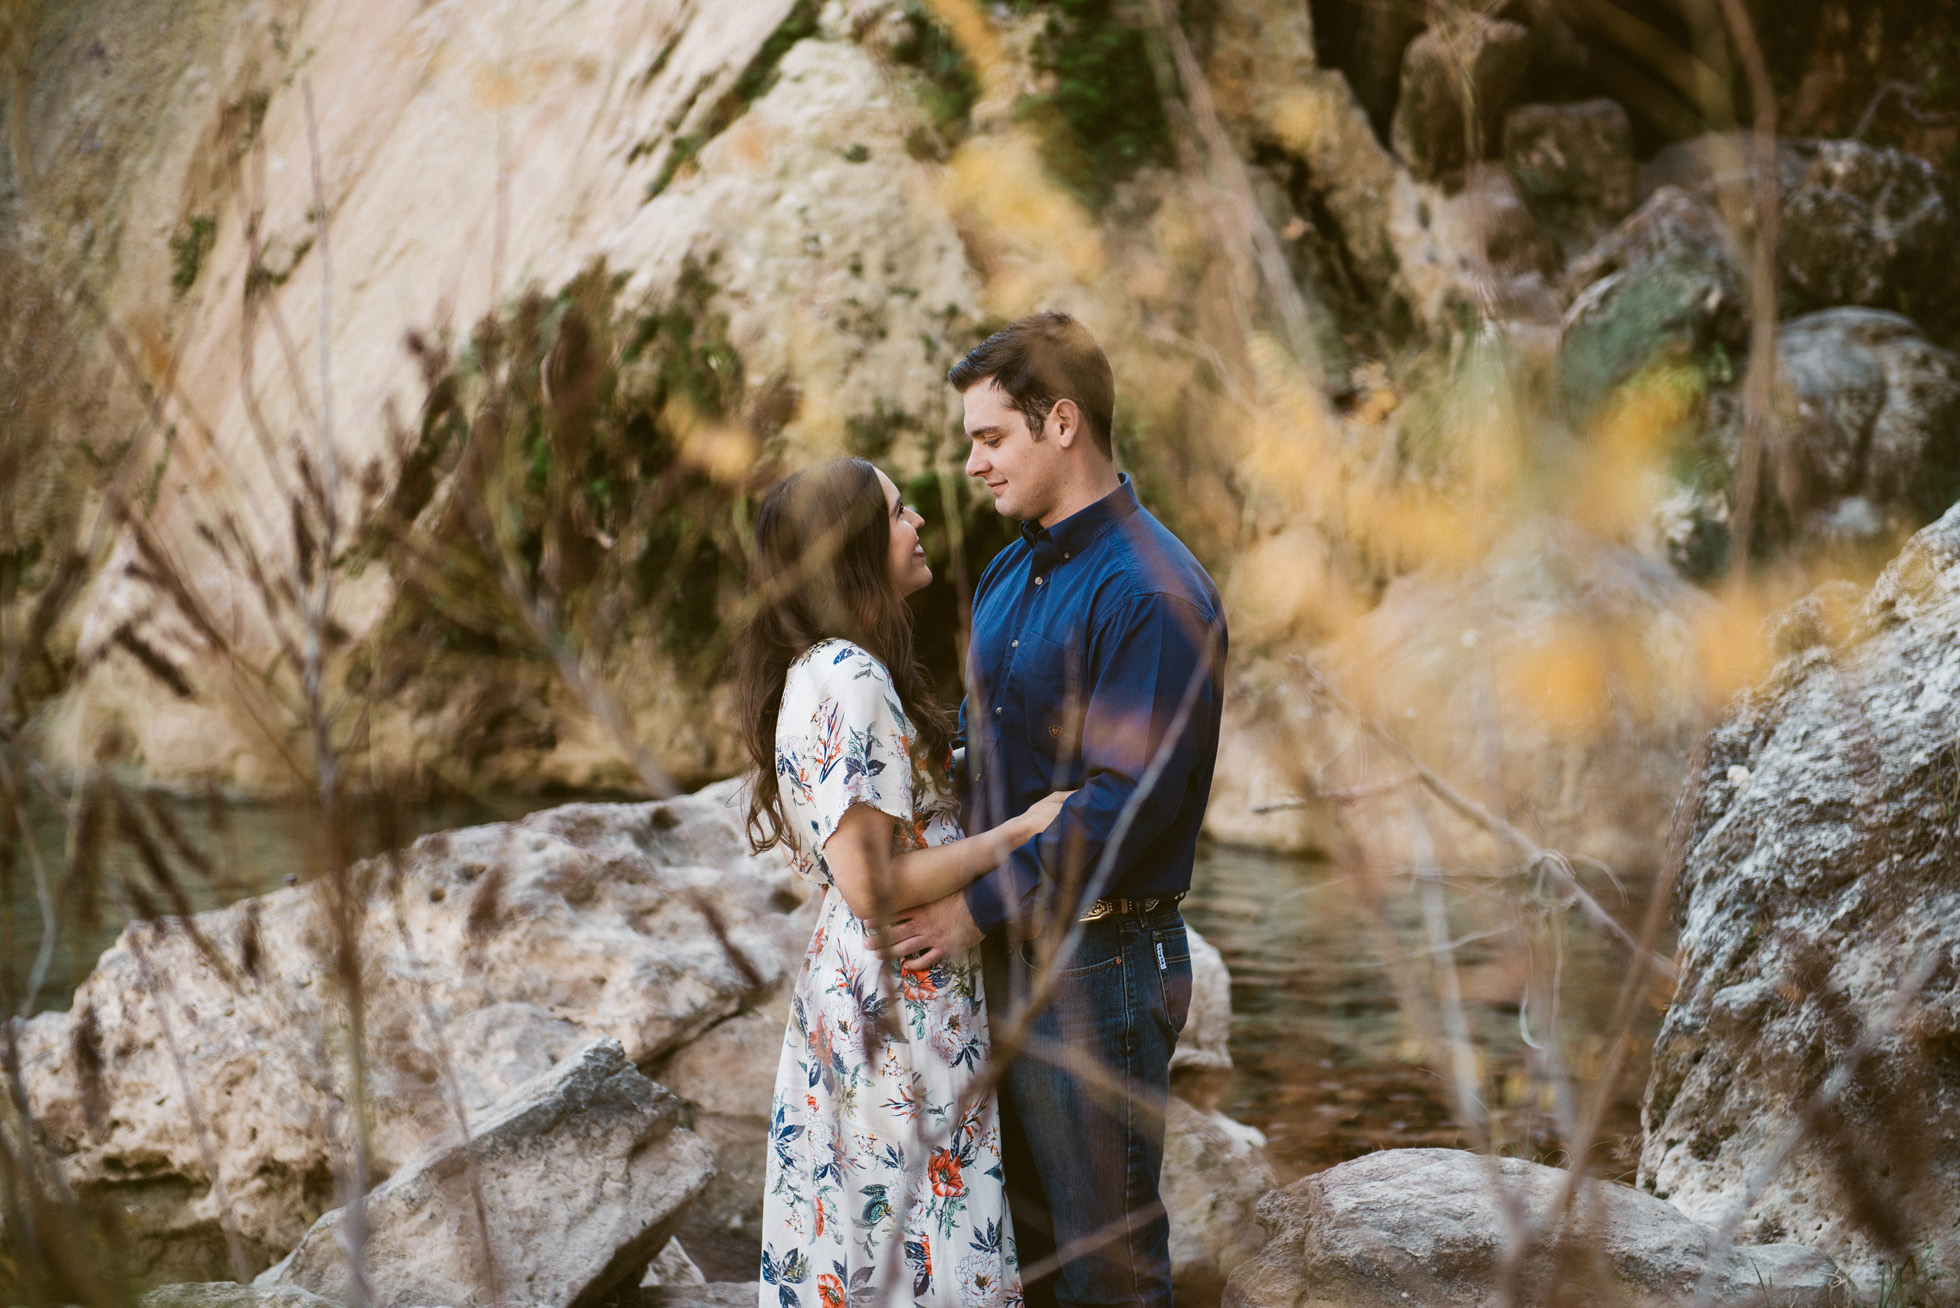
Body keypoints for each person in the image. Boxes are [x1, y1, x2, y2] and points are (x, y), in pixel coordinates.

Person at [870, 313, 1227, 1308]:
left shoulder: (1153, 594)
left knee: (1107, 1272)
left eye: (991, 437)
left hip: (1098, 965)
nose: (972, 463)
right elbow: (986, 753)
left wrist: (970, 910)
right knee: (1020, 1260)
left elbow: (1125, 808)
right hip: (1010, 955)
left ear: (1062, 423)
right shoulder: (1006, 572)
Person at [739, 456, 1071, 1308]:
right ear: (849, 549)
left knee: (876, 1233)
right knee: (923, 1236)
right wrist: (1018, 833)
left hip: (871, 986)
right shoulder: (849, 676)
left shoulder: (823, 668)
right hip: (898, 992)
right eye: (896, 513)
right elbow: (870, 884)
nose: (917, 521)